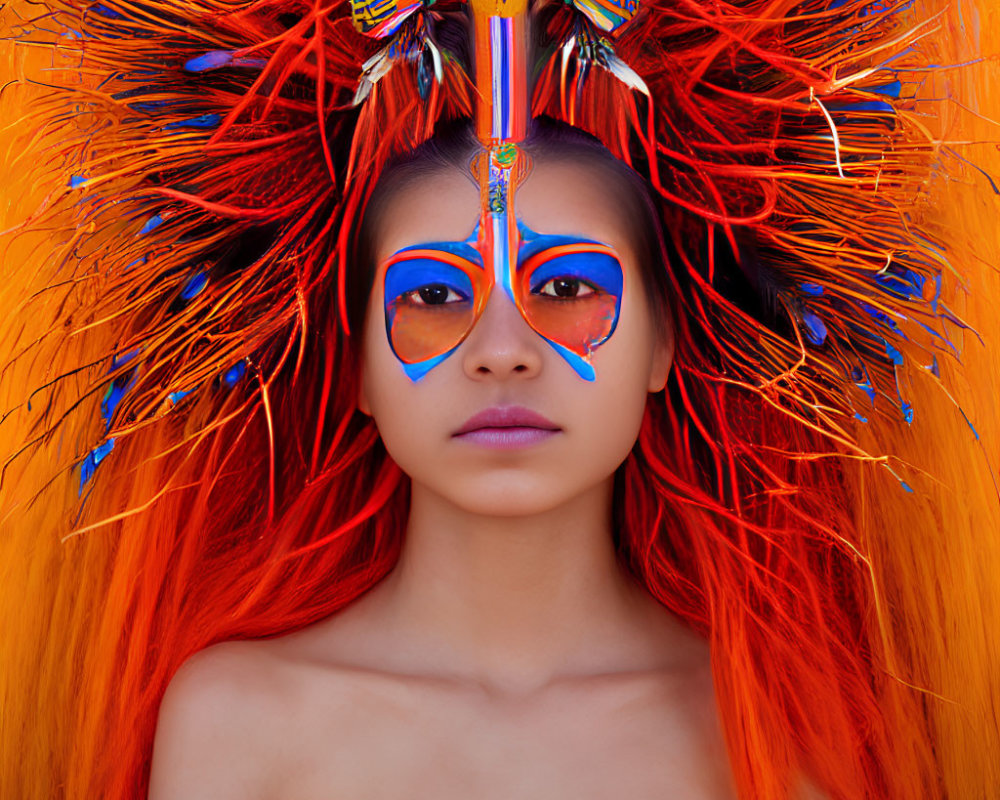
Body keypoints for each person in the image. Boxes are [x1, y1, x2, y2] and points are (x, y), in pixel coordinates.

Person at [1, 0, 998, 798]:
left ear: (663, 342)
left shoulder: (786, 728)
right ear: (355, 367)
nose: (503, 351)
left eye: (567, 288)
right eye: (433, 296)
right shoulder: (239, 719)